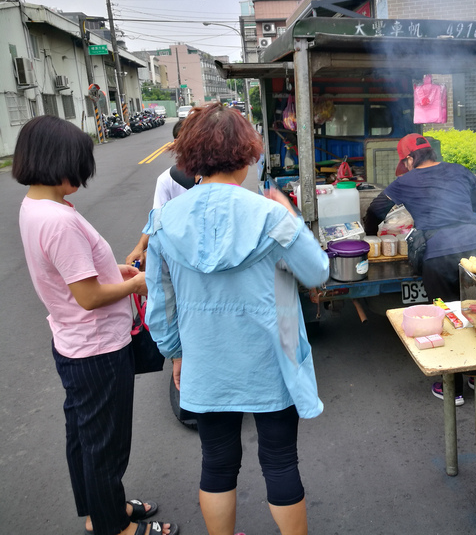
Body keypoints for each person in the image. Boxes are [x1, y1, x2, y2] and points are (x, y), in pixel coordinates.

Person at [143, 102, 329, 535]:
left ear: (189, 159)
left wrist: (175, 353)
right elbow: (317, 271)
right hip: (272, 358)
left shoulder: (165, 220)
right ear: (247, 156)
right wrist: (291, 216)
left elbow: (161, 302)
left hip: (206, 358)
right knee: (280, 459)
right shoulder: (269, 216)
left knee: (217, 461)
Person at [13, 116, 178, 535]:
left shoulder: (35, 206)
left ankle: (99, 509)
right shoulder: (59, 221)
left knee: (84, 438)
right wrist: (138, 283)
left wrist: (113, 271)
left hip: (72, 342)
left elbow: (75, 279)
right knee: (106, 445)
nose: (83, 176)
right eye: (79, 164)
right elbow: (87, 298)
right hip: (98, 349)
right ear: (57, 161)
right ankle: (113, 527)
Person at [365, 133, 476, 405]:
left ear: (411, 158)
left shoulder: (405, 180)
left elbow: (376, 211)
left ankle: (454, 389)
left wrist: (370, 237)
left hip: (439, 255)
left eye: (406, 160)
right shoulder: (460, 170)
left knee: (447, 316)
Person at [125, 118, 194, 268]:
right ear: (175, 143)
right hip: (178, 254)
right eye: (183, 139)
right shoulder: (166, 179)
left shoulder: (215, 175)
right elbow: (157, 221)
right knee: (142, 263)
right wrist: (139, 247)